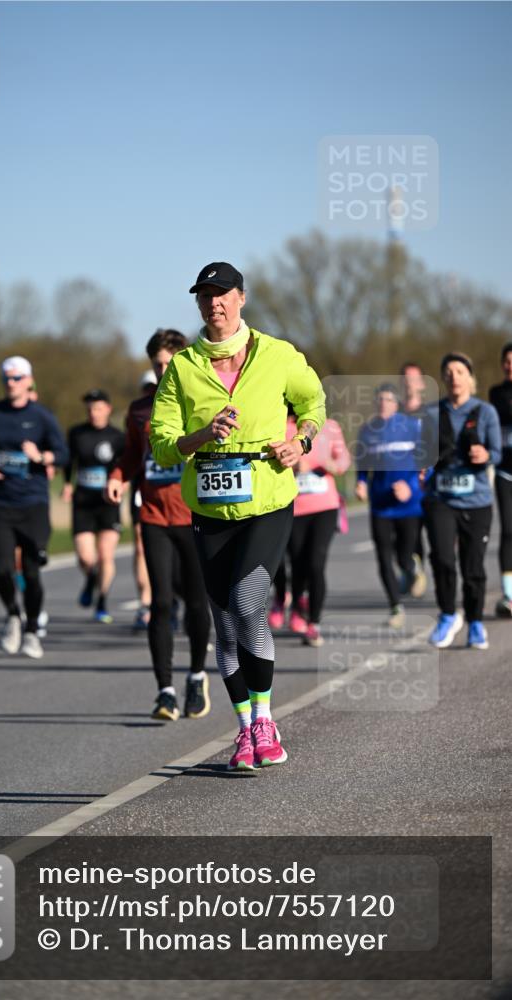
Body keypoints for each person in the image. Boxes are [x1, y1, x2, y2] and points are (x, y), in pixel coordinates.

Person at [150, 262, 325, 770]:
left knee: (248, 602)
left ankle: (266, 720)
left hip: (267, 499)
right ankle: (246, 730)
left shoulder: (278, 355)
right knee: (225, 625)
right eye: (205, 296)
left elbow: (313, 403)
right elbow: (162, 443)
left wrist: (301, 442)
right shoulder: (183, 367)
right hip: (209, 506)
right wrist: (203, 434)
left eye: (223, 294)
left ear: (241, 298)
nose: (215, 304)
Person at [108, 329, 212, 721]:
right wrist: (118, 476)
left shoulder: (200, 401)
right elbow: (132, 455)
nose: (163, 372)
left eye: (169, 364)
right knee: (161, 602)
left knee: (197, 603)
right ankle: (165, 692)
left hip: (194, 514)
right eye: (157, 365)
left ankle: (197, 676)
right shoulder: (139, 410)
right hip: (154, 515)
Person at [0, 356, 67, 659]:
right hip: (1, 503)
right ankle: (13, 616)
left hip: (33, 503)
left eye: (16, 378)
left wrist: (41, 457)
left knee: (31, 571)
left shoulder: (42, 416)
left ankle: (31, 632)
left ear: (28, 380)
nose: (11, 384)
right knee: (1, 570)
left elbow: (62, 454)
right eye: (6, 379)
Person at [421, 352, 501, 649]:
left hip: (477, 501)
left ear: (470, 377)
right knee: (442, 558)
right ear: (443, 378)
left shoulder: (486, 412)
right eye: (449, 371)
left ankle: (476, 623)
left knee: (473, 566)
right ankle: (447, 615)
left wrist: (486, 455)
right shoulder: (431, 413)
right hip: (440, 498)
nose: (454, 376)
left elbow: (498, 453)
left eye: (459, 371)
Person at [269, 410, 351, 646]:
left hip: (324, 507)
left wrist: (321, 464)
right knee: (297, 563)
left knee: (316, 563)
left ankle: (314, 623)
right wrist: (293, 465)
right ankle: (296, 605)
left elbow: (343, 462)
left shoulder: (329, 426)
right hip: (293, 508)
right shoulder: (280, 426)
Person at [355, 384, 426, 630]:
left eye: (387, 399)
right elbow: (363, 465)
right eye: (379, 399)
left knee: (403, 555)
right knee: (383, 557)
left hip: (409, 505)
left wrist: (411, 487)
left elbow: (426, 464)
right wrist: (361, 483)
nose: (383, 403)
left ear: (396, 403)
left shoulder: (412, 427)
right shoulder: (367, 431)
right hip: (380, 505)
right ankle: (395, 606)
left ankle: (412, 567)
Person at [62, 390, 125, 624]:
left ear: (108, 409)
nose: (93, 413)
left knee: (105, 555)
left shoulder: (117, 437)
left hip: (108, 503)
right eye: (89, 409)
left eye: (98, 408)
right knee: (86, 557)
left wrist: (123, 484)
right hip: (83, 502)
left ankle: (102, 601)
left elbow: (126, 466)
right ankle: (91, 578)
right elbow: (69, 462)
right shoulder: (77, 433)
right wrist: (67, 484)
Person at [399, 362, 430, 593]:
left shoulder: (430, 414)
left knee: (425, 530)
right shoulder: (394, 414)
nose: (409, 383)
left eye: (413, 378)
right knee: (402, 533)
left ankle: (419, 570)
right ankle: (410, 569)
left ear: (422, 383)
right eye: (405, 379)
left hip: (425, 480)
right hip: (401, 481)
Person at [130, 370, 156, 630]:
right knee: (140, 546)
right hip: (143, 488)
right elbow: (130, 452)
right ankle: (145, 603)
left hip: (178, 491)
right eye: (146, 387)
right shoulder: (137, 413)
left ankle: (175, 598)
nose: (151, 391)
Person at [489, 342, 512, 618]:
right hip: (505, 471)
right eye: (507, 361)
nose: (510, 365)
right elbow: (502, 414)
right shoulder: (497, 393)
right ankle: (509, 595)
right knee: (508, 530)